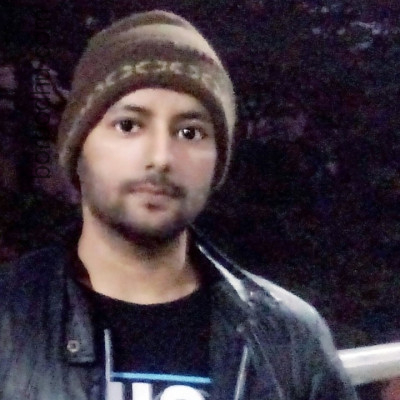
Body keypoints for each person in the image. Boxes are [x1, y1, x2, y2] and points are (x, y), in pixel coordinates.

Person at [0, 10, 358, 400]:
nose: (161, 157)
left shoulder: (290, 340)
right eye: (129, 125)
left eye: (190, 132)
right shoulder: (10, 321)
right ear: (78, 146)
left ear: (217, 161)